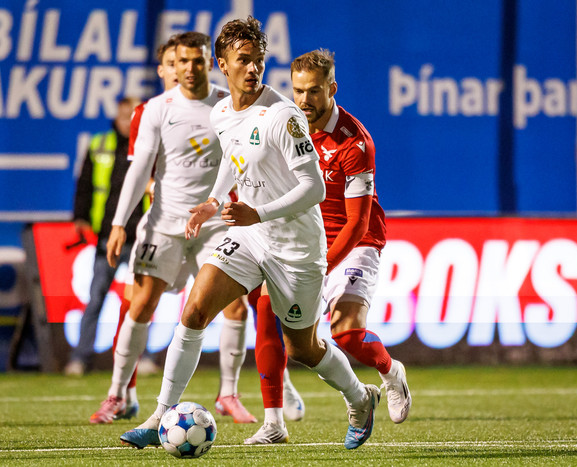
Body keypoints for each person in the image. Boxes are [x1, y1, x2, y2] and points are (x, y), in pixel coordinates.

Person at [119, 16, 380, 451]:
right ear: (222, 64)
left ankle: (359, 397)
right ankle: (160, 414)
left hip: (296, 247)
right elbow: (233, 156)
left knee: (303, 349)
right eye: (243, 60)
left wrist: (255, 212)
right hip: (250, 236)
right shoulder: (222, 112)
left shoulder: (283, 115)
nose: (253, 68)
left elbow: (314, 188)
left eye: (258, 59)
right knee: (195, 310)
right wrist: (214, 200)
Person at [89, 32, 257, 425]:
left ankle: (228, 394)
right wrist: (119, 223)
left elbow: (245, 159)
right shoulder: (156, 109)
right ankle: (118, 394)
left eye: (197, 60)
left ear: (209, 63)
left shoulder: (228, 104)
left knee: (236, 305)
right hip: (164, 225)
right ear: (173, 65)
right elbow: (139, 169)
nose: (190, 68)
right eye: (182, 61)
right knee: (141, 304)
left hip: (214, 226)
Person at [247, 49, 413, 444]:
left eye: (314, 91)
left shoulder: (354, 142)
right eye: (298, 91)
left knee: (346, 333)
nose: (304, 100)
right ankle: (274, 423)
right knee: (269, 314)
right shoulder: (284, 125)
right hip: (303, 239)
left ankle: (391, 372)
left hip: (354, 244)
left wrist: (323, 265)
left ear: (332, 89)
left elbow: (357, 222)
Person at [65, 95, 144, 377]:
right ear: (117, 116)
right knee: (96, 296)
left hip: (140, 235)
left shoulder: (149, 143)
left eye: (133, 117)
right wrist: (80, 217)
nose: (128, 122)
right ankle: (80, 357)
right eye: (125, 116)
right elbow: (85, 183)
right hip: (108, 235)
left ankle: (141, 358)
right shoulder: (101, 143)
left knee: (141, 301)